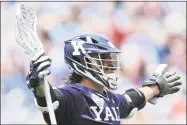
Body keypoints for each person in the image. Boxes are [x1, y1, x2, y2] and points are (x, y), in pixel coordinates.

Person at [26, 34, 182, 125]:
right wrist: (38, 83)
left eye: (110, 58)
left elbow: (132, 99)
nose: (109, 63)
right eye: (102, 58)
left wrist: (156, 87)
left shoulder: (111, 99)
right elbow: (48, 98)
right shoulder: (72, 96)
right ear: (81, 61)